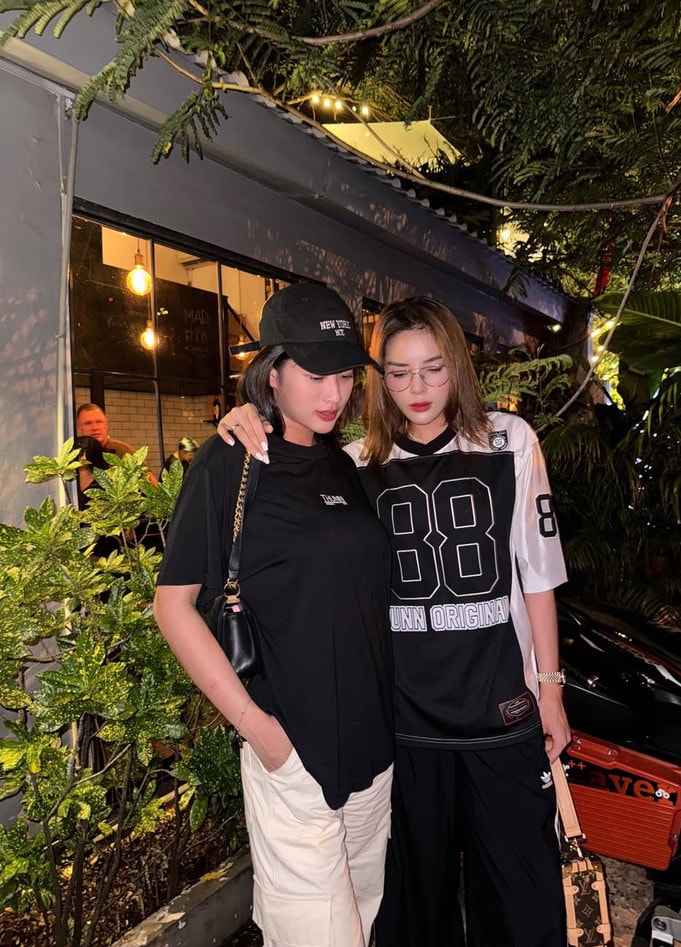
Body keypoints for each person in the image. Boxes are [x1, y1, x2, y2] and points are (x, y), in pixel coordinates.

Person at [218, 295, 570, 947]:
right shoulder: (355, 462)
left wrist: (550, 688)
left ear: (457, 365)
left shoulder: (509, 440)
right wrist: (248, 416)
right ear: (380, 379)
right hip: (404, 728)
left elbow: (539, 574)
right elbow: (284, 458)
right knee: (412, 914)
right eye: (400, 373)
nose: (418, 388)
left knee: (524, 906)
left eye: (434, 369)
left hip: (501, 713)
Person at [154, 283, 395, 947]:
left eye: (345, 374)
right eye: (316, 373)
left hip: (374, 756)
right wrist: (260, 731)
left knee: (364, 923)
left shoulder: (345, 466)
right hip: (294, 759)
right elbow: (172, 607)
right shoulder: (231, 461)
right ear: (272, 372)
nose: (334, 392)